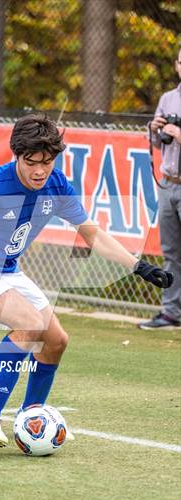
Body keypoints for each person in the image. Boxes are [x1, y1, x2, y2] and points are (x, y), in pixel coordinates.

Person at [0, 113, 173, 447]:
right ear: (17, 155)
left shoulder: (57, 185)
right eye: (31, 162)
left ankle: (31, 413)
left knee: (57, 339)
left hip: (6, 270)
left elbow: (92, 234)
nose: (39, 171)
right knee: (30, 324)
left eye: (47, 162)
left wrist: (139, 266)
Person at [139, 48, 181, 330]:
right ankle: (171, 313)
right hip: (168, 183)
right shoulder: (168, 98)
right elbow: (157, 144)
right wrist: (155, 129)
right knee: (171, 252)